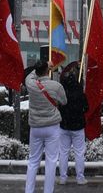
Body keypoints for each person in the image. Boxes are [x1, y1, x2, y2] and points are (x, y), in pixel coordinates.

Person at [25, 61, 67, 193]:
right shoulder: (56, 86)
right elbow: (64, 101)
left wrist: (39, 67)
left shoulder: (31, 84)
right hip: (52, 126)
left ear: (36, 71)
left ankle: (29, 190)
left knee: (33, 161)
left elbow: (28, 77)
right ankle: (48, 191)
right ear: (48, 70)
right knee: (51, 161)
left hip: (35, 127)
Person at [58, 69, 88, 185]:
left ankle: (63, 178)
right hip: (78, 126)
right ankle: (80, 178)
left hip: (64, 126)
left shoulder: (63, 93)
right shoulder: (81, 93)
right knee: (79, 153)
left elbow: (59, 106)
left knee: (63, 153)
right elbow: (86, 108)